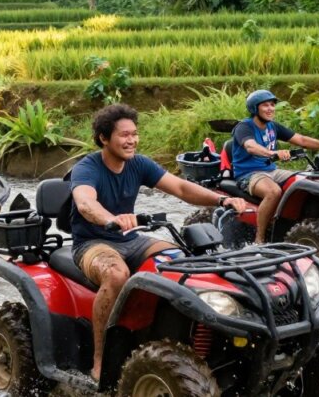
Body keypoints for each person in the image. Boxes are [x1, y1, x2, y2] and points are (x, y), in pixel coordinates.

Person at [70, 104, 246, 382]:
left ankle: (178, 339)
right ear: (104, 138)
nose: (131, 140)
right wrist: (111, 219)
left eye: (135, 134)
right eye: (124, 135)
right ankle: (100, 360)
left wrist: (221, 199)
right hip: (93, 243)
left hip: (132, 239)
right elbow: (85, 203)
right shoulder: (87, 168)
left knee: (182, 261)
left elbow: (181, 188)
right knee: (116, 275)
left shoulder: (139, 164)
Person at [231, 90, 319, 244]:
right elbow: (251, 147)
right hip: (249, 173)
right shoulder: (244, 127)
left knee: (307, 181)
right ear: (254, 109)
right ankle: (260, 237)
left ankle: (299, 224)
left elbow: (301, 140)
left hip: (272, 170)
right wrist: (272, 153)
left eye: (272, 105)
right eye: (265, 105)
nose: (271, 108)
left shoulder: (273, 127)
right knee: (273, 192)